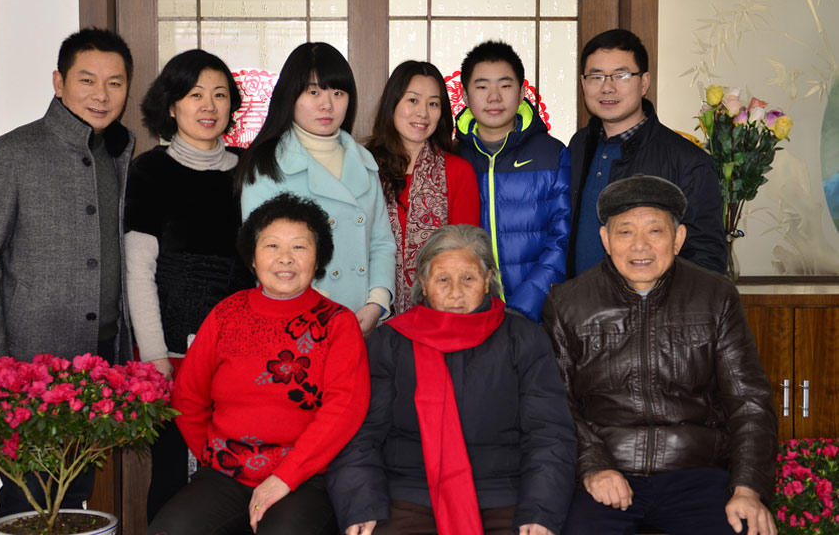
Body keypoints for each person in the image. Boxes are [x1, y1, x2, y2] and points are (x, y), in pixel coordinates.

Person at [0, 28, 134, 517]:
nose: (102, 95)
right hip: (28, 364)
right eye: (87, 80)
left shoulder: (117, 154)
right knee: (28, 500)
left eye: (115, 83)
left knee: (74, 498)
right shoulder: (10, 153)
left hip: (99, 359)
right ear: (59, 82)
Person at [542, 175, 777, 535]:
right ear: (605, 240)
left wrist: (747, 488)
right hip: (607, 474)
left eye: (655, 231)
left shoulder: (715, 297)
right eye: (625, 232)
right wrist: (593, 466)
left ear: (678, 238)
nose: (640, 246)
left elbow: (749, 402)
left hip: (695, 473)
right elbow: (556, 401)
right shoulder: (568, 303)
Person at [327, 224, 577, 535]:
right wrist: (361, 506)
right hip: (407, 494)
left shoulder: (523, 339)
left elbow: (549, 434)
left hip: (504, 496)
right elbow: (359, 434)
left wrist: (540, 512)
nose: (455, 292)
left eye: (468, 278)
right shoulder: (390, 342)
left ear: (487, 281)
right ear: (423, 283)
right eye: (442, 279)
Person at [148, 193, 371, 535]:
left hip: (305, 477)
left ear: (318, 258)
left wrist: (285, 476)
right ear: (252, 257)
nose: (285, 259)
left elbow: (344, 411)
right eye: (271, 246)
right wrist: (213, 455)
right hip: (225, 472)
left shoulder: (338, 323)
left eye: (299, 247)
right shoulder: (226, 313)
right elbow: (188, 396)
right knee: (170, 529)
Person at [125, 49, 257, 521]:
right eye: (195, 93)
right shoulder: (149, 171)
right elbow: (138, 273)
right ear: (172, 104)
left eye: (220, 94)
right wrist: (156, 357)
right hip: (174, 350)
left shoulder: (250, 170)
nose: (209, 105)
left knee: (238, 472)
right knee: (174, 475)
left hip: (244, 352)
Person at [238, 42, 395, 335]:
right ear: (290, 95)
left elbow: (381, 242)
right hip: (295, 322)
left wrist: (378, 301)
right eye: (314, 92)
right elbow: (261, 253)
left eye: (338, 92)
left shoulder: (364, 162)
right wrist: (314, 307)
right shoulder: (266, 164)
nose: (327, 104)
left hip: (363, 319)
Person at [568, 28, 727, 277]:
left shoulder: (688, 162)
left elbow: (706, 260)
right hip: (578, 308)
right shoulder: (578, 145)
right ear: (583, 83)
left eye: (620, 76)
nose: (607, 88)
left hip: (650, 312)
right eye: (596, 77)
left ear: (644, 83)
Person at [454, 40, 570, 323]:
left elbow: (562, 239)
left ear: (521, 93)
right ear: (466, 96)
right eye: (482, 87)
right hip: (469, 314)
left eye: (505, 86)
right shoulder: (453, 158)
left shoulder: (551, 154)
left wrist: (521, 307)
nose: (494, 97)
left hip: (539, 314)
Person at [366, 60, 480, 314]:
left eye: (433, 103)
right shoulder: (364, 167)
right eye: (413, 100)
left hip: (439, 317)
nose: (423, 113)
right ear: (392, 103)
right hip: (370, 315)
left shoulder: (457, 171)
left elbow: (464, 257)